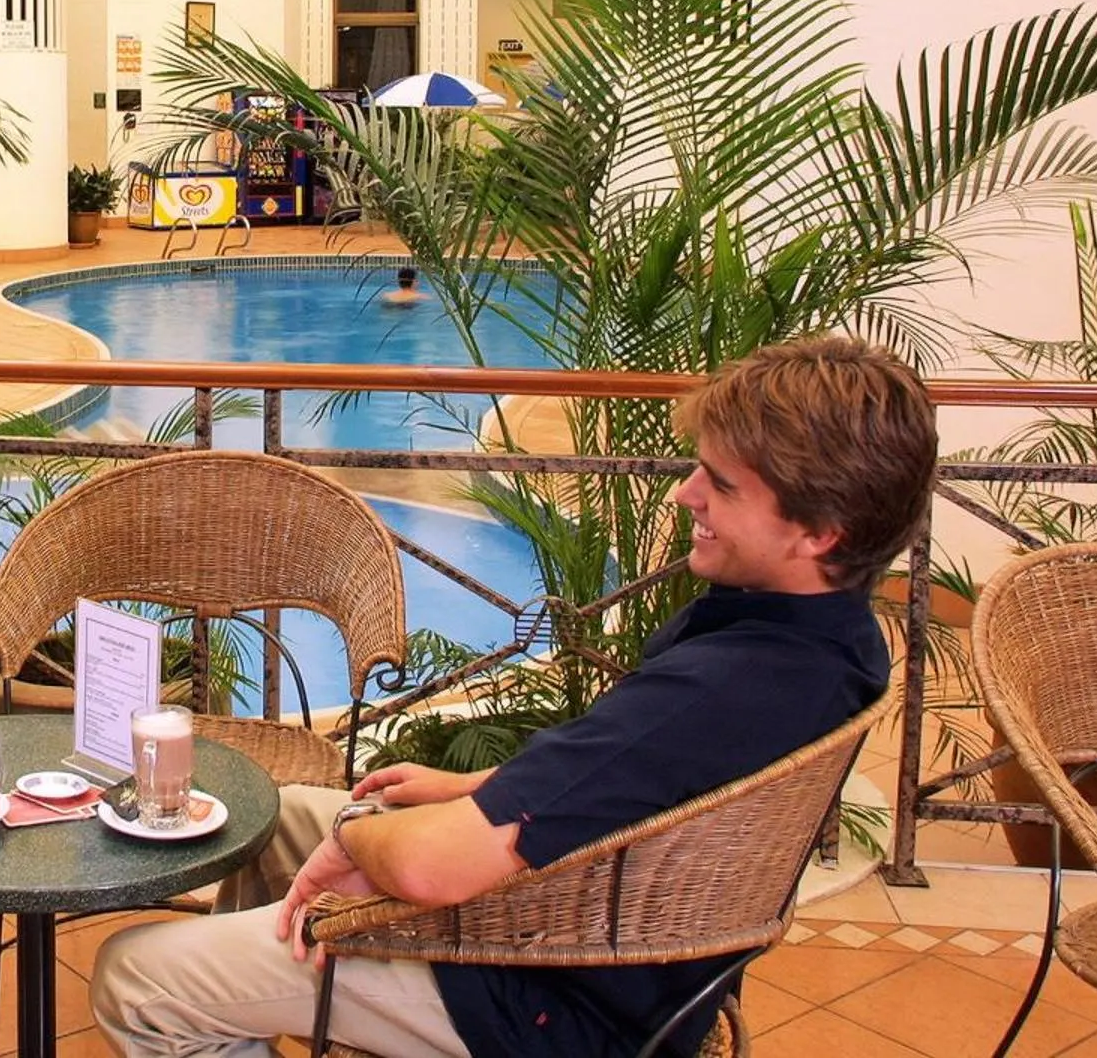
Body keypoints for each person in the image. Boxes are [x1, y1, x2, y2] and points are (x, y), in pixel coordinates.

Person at [91, 335, 936, 1058]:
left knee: (137, 976)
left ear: (819, 532)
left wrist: (361, 836)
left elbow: (429, 864)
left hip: (549, 989)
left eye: (722, 485)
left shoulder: (722, 687)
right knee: (269, 819)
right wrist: (472, 791)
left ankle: (226, 996)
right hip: (595, 923)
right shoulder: (834, 642)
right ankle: (265, 990)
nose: (687, 494)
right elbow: (626, 790)